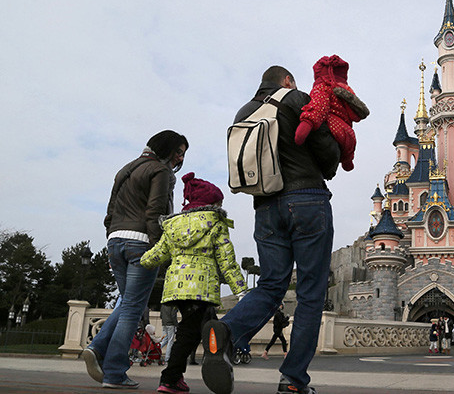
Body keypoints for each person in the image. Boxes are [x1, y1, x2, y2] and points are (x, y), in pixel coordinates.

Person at [201, 65, 340, 394]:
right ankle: (293, 379)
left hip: (265, 208)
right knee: (310, 294)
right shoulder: (296, 99)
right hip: (306, 200)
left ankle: (226, 331)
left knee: (270, 285)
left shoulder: (244, 112)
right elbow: (329, 157)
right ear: (288, 80)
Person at [82, 130, 188, 389]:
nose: (179, 159)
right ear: (167, 149)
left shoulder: (125, 169)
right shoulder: (161, 172)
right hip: (140, 242)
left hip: (115, 241)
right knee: (132, 309)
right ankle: (115, 372)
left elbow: (110, 210)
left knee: (128, 302)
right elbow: (156, 211)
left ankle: (96, 347)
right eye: (179, 153)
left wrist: (111, 235)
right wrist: (159, 248)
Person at [141, 172, 247, 394]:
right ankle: (171, 378)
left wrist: (141, 261)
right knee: (191, 332)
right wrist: (241, 290)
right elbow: (227, 261)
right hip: (202, 287)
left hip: (176, 288)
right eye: (219, 202)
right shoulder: (216, 222)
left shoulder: (173, 225)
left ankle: (200, 366)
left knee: (205, 324)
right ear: (212, 202)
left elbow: (159, 253)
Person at [294, 54, 369, 171]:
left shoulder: (323, 87)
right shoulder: (345, 93)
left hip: (332, 129)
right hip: (348, 135)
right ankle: (347, 160)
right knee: (348, 146)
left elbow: (318, 107)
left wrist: (306, 124)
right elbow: (355, 114)